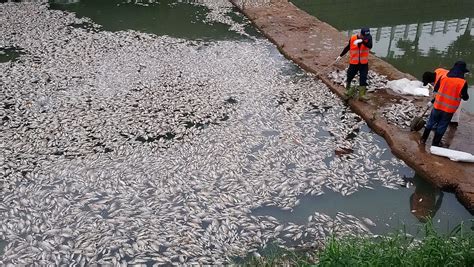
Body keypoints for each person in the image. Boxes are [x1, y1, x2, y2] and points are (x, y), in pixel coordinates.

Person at [420, 61, 470, 146]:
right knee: (441, 126)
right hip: (448, 109)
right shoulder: (462, 82)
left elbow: (437, 89)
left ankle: (423, 139)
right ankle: (435, 144)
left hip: (437, 105)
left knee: (430, 122)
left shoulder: (443, 77)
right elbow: (465, 97)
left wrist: (432, 101)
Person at [336, 27, 373, 100]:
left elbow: (370, 46)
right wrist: (340, 56)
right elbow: (347, 47)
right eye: (364, 36)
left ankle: (362, 95)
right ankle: (348, 88)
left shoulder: (368, 38)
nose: (366, 38)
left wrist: (362, 41)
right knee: (350, 75)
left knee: (363, 77)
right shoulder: (353, 38)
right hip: (354, 62)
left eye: (367, 37)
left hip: (363, 63)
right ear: (361, 34)